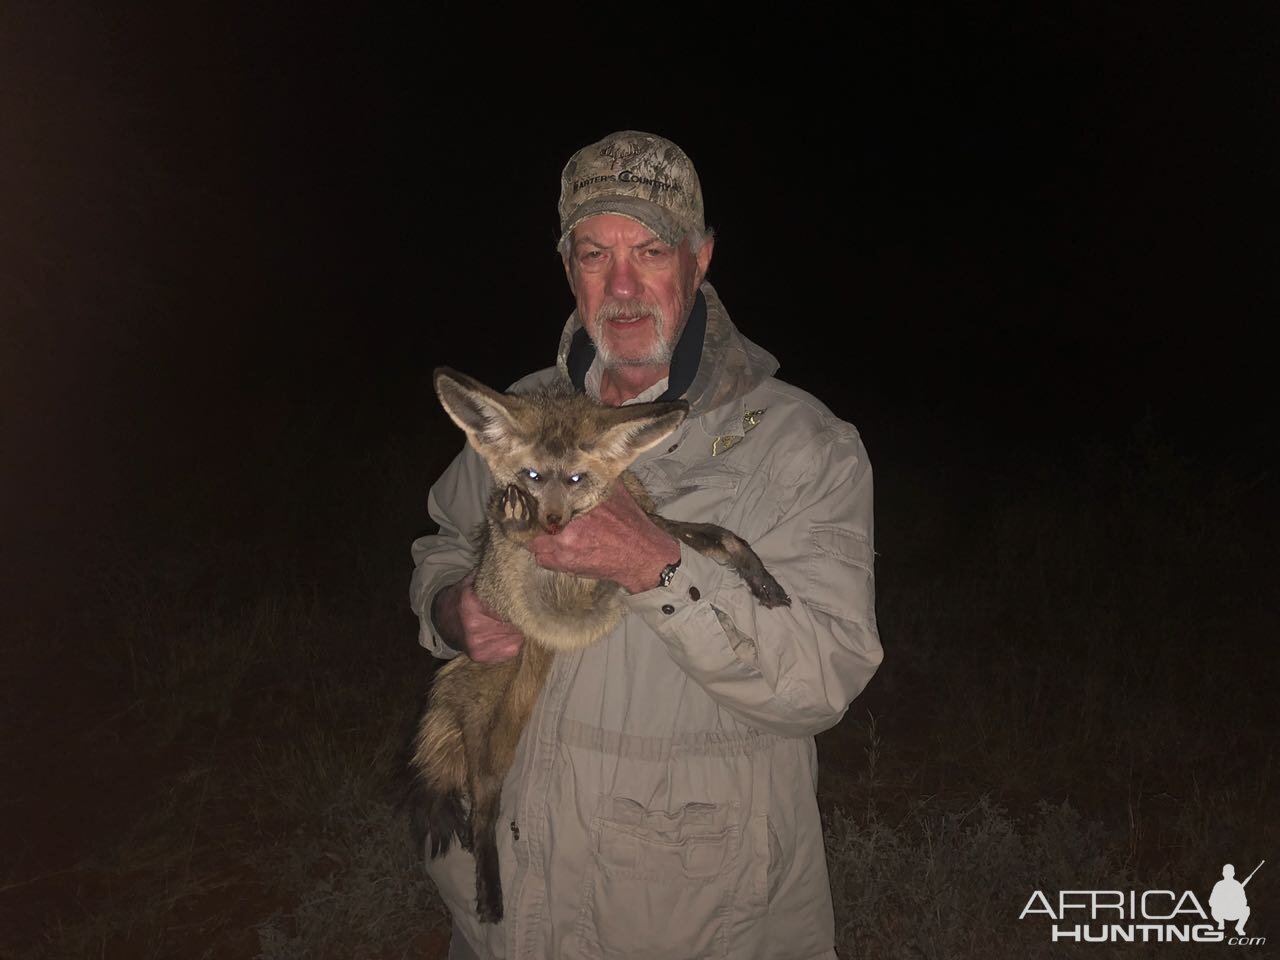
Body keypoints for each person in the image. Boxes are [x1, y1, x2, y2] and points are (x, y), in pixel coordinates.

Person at [410, 130, 883, 960]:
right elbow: (445, 541)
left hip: (689, 922)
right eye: (595, 253)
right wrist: (454, 611)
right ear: (568, 268)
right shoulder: (518, 417)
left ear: (700, 259)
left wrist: (654, 565)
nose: (621, 286)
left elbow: (821, 680)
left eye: (650, 249)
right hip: (506, 915)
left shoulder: (802, 446)